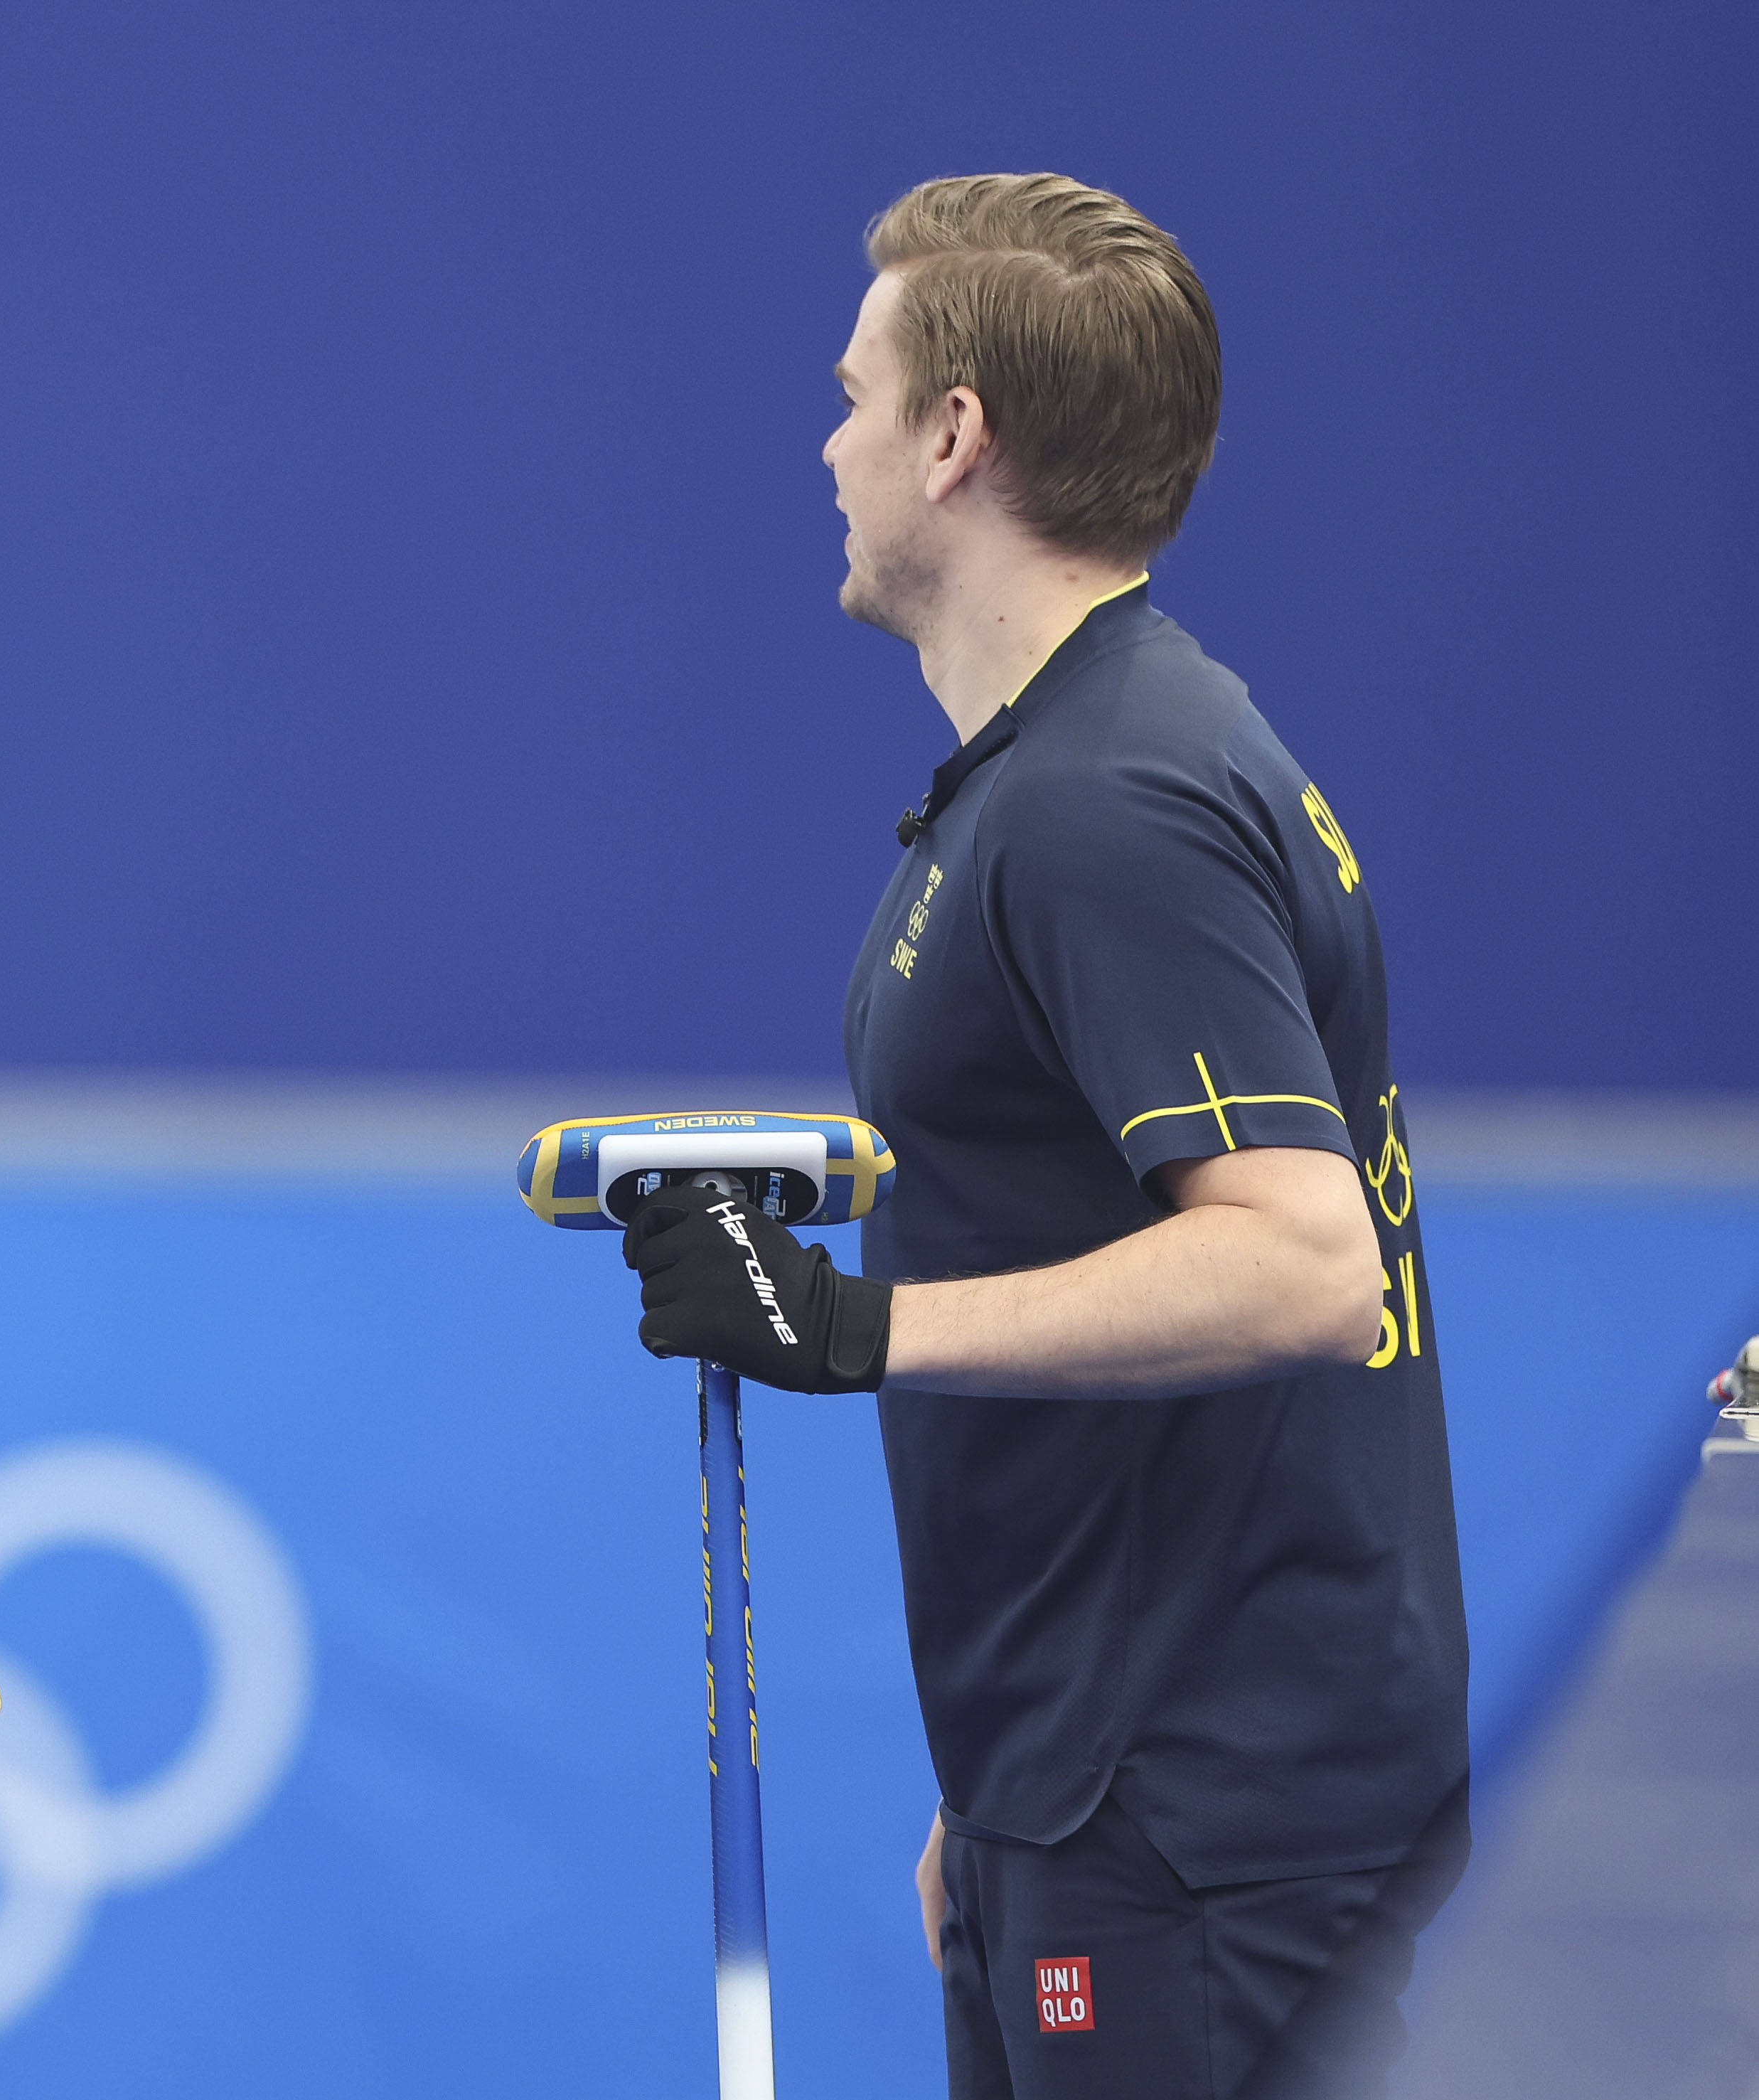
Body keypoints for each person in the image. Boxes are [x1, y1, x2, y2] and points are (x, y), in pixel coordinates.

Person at [619, 176, 1467, 2097]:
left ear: (952, 437)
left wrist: (853, 1325)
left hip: (1195, 1815)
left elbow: (1303, 1261)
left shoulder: (1110, 799)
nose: (824, 445)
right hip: (1096, 1791)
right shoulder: (1073, 768)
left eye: (852, 395)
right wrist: (1005, 1797)